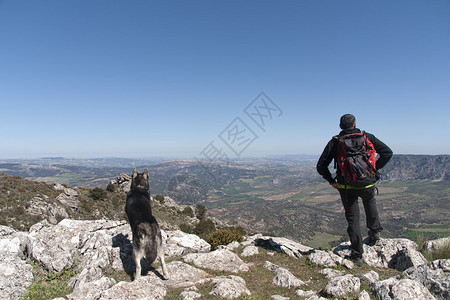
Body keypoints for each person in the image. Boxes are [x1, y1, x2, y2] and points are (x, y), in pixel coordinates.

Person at [316, 114, 393, 266]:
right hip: (367, 182)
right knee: (370, 203)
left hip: (346, 185)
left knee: (353, 218)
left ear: (340, 126)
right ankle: (375, 232)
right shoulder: (367, 137)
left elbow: (321, 165)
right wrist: (373, 169)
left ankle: (357, 254)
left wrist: (332, 181)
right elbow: (387, 153)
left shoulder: (336, 141)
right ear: (355, 124)